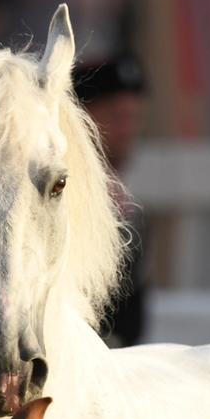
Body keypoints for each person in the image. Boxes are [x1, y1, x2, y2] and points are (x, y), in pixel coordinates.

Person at [74, 53, 149, 347]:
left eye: (134, 118)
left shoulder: (122, 198)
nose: (127, 130)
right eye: (117, 117)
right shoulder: (64, 197)